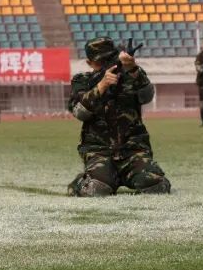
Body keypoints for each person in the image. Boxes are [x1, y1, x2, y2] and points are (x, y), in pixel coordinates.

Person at [66, 37, 170, 196]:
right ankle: (82, 181)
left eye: (110, 59)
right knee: (95, 189)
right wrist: (101, 86)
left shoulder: (132, 75)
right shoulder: (82, 81)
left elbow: (147, 96)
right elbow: (80, 112)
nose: (107, 64)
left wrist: (134, 69)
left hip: (133, 150)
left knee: (157, 186)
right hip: (99, 151)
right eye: (101, 61)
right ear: (89, 63)